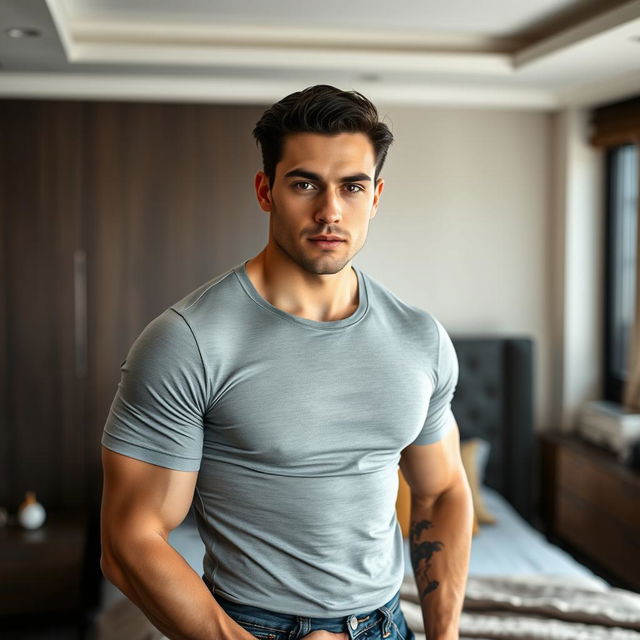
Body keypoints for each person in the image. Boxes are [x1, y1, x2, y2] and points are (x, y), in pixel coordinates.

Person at [99, 84, 473, 640]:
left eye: (352, 186)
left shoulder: (419, 338)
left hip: (386, 625)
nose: (330, 211)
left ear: (375, 197)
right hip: (247, 627)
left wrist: (443, 636)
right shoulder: (189, 340)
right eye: (305, 184)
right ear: (265, 189)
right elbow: (130, 541)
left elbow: (441, 491)